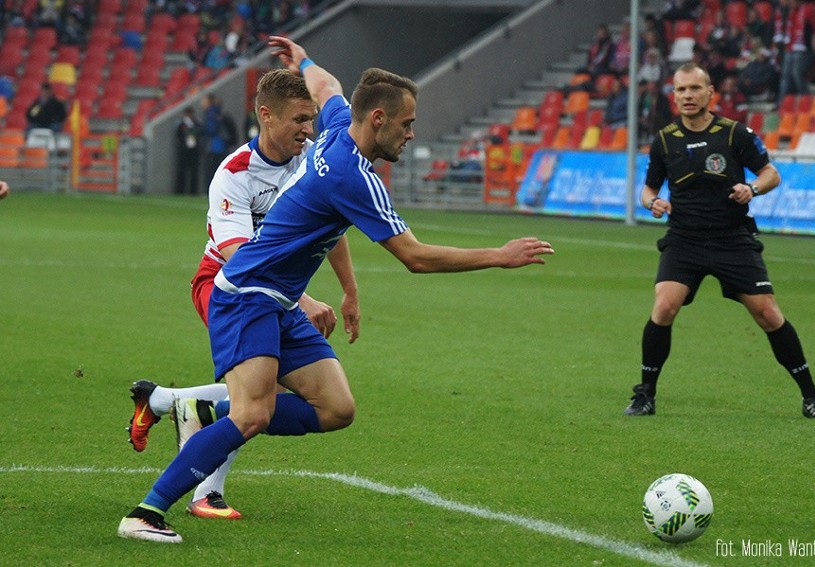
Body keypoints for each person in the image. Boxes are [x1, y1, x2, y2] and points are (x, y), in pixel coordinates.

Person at [117, 36, 554, 543]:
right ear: (378, 120)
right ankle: (146, 512)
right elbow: (415, 257)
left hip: (277, 298)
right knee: (254, 412)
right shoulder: (354, 176)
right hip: (248, 293)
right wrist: (499, 256)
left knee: (336, 409)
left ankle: (206, 409)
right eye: (407, 124)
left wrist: (300, 58)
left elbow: (325, 83)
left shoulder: (333, 126)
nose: (412, 134)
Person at [126, 68, 361, 520]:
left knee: (280, 395)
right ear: (266, 117)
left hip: (278, 290)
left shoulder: (313, 159)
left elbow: (330, 226)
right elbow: (237, 254)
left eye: (311, 119)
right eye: (298, 119)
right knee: (254, 391)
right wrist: (303, 299)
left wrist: (349, 291)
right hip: (223, 283)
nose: (307, 129)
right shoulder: (233, 173)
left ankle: (168, 403)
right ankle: (202, 492)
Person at [623, 62, 815, 421]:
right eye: (681, 90)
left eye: (694, 89)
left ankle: (812, 396)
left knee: (768, 313)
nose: (687, 96)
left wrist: (750, 188)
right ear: (674, 96)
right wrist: (652, 203)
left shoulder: (736, 134)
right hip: (684, 239)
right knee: (663, 308)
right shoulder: (664, 140)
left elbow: (771, 174)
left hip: (732, 239)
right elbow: (648, 189)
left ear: (710, 93)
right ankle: (645, 394)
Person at [174, 107, 203, 195]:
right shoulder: (181, 124)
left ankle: (193, 192)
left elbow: (200, 134)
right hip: (183, 151)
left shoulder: (197, 124)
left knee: (194, 172)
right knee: (181, 171)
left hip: (194, 151)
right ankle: (180, 191)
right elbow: (178, 136)